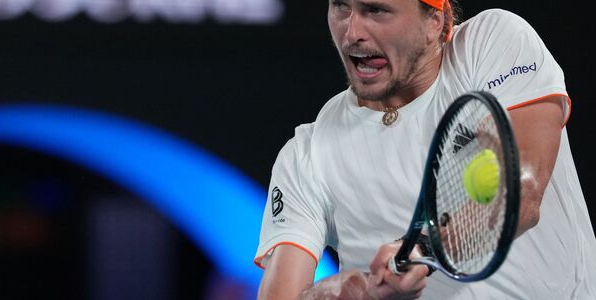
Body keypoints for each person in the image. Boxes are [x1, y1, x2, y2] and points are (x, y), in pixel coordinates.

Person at [254, 0, 596, 299]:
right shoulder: (306, 154)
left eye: (375, 9)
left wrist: (423, 249)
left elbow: (523, 189)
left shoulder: (494, 42)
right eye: (341, 6)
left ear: (436, 21)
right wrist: (341, 296)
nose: (351, 31)